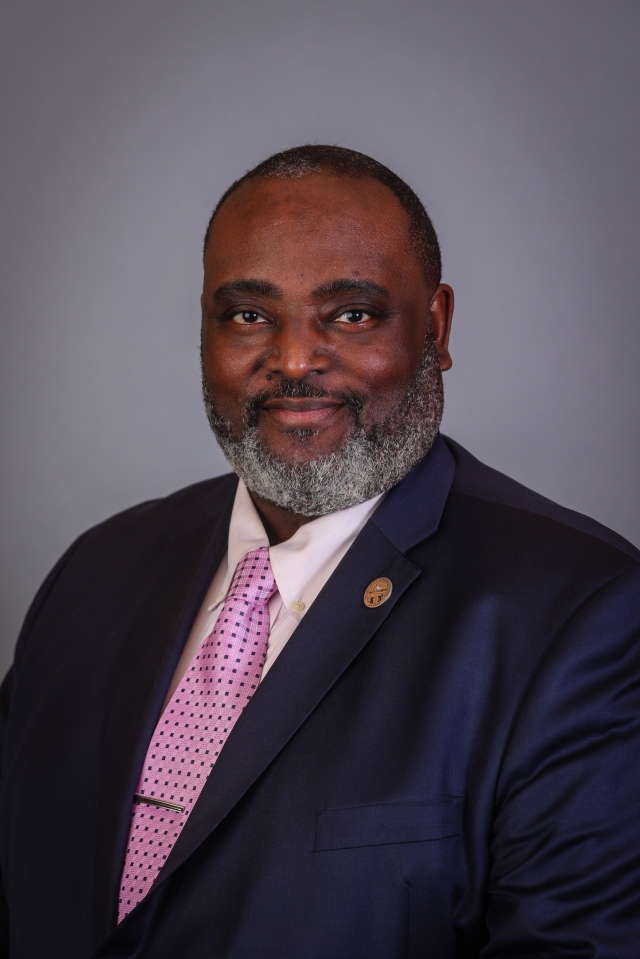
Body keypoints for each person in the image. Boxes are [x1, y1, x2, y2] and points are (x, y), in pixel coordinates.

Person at [0, 145, 639, 959]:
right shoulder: (94, 573)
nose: (295, 360)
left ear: (436, 327)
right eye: (248, 315)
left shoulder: (584, 614)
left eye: (352, 314)